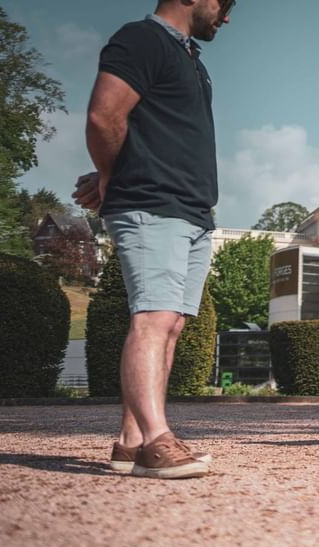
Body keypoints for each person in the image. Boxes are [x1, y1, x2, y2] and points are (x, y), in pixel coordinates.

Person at [72, 0, 236, 478]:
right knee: (152, 318)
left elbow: (155, 135)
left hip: (191, 210)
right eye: (225, 4)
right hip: (152, 207)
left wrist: (115, 171)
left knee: (171, 325)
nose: (226, 17)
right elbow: (104, 116)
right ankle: (158, 441)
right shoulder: (142, 39)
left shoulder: (190, 59)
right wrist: (110, 178)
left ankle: (132, 440)